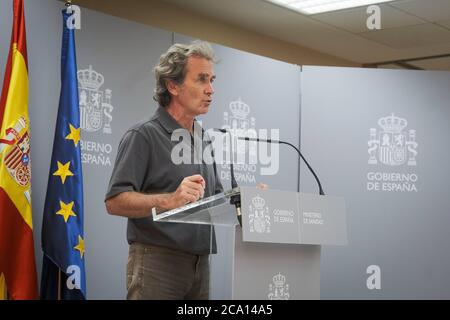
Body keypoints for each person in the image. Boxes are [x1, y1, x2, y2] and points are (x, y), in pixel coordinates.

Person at [105, 41, 223, 300]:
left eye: (212, 80)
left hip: (201, 265)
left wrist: (246, 200)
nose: (211, 90)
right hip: (157, 262)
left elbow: (216, 198)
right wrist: (170, 200)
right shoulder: (144, 134)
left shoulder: (204, 139)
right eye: (202, 79)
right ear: (173, 85)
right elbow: (115, 202)